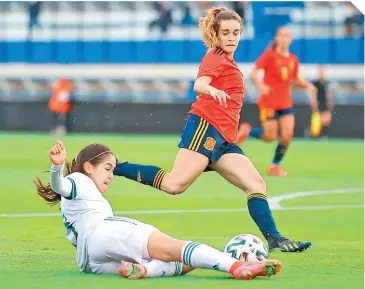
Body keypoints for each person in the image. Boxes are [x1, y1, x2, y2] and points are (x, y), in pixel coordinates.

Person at [114, 8, 311, 253]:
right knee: (175, 185)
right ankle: (116, 166)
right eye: (226, 32)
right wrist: (211, 90)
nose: (231, 37)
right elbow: (200, 84)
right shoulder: (215, 56)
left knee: (256, 184)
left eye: (236, 33)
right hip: (206, 128)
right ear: (216, 35)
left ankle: (274, 239)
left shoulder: (228, 59)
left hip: (225, 140)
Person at [34, 140, 282, 280]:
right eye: (108, 168)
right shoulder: (79, 180)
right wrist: (56, 167)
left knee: (183, 263)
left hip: (90, 260)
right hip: (105, 233)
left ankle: (144, 270)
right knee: (175, 247)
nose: (111, 175)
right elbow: (60, 184)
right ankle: (237, 266)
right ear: (88, 167)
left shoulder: (83, 195)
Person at [236, 26, 318, 177]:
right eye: (282, 35)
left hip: (286, 103)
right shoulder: (269, 55)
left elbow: (295, 80)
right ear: (277, 38)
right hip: (269, 102)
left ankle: (275, 165)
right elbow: (253, 73)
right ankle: (247, 131)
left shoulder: (293, 59)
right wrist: (261, 86)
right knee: (270, 137)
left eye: (287, 36)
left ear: (291, 39)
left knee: (287, 135)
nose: (285, 39)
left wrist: (308, 85)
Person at [310, 66, 334, 138]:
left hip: (325, 103)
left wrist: (330, 101)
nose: (321, 74)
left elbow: (329, 94)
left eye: (322, 72)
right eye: (320, 72)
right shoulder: (316, 83)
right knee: (318, 120)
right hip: (319, 103)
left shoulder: (327, 83)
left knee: (326, 120)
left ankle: (324, 135)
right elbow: (313, 93)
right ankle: (316, 135)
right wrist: (313, 101)